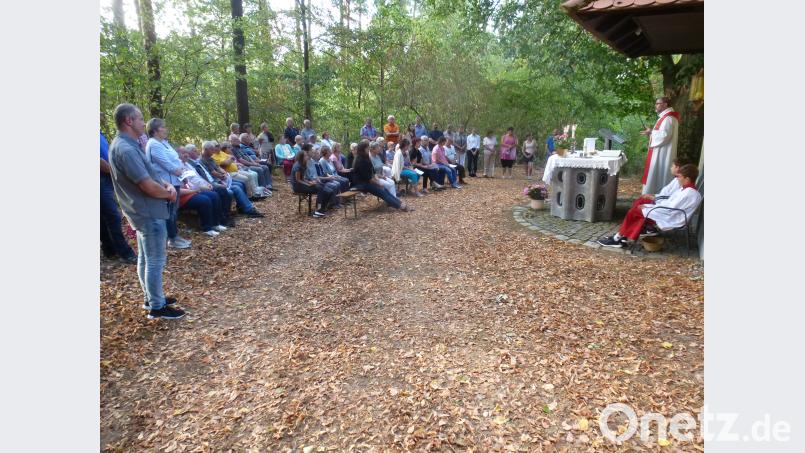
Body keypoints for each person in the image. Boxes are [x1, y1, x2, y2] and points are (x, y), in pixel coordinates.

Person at [108, 103, 186, 320]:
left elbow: (150, 174)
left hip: (144, 209)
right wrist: (168, 193)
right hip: (147, 211)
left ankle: (151, 297)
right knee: (154, 259)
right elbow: (146, 185)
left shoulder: (130, 145)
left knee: (145, 257)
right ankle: (157, 307)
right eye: (140, 118)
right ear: (128, 121)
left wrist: (165, 184)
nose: (144, 122)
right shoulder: (125, 149)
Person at [598, 164, 701, 248]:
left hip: (671, 218)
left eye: (679, 177)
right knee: (638, 212)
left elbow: (669, 209)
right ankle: (621, 237)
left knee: (634, 212)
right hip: (670, 214)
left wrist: (649, 207)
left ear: (687, 179)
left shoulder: (688, 193)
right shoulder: (687, 190)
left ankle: (618, 238)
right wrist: (649, 205)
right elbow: (670, 204)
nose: (677, 179)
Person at [145, 118, 192, 249]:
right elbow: (167, 164)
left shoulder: (164, 143)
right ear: (154, 130)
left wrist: (183, 175)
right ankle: (171, 238)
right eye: (163, 127)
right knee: (169, 211)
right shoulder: (153, 144)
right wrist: (181, 173)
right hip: (164, 183)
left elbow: (176, 160)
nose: (165, 129)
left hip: (175, 181)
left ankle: (174, 236)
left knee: (173, 211)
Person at [198, 141, 264, 218]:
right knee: (237, 187)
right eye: (212, 149)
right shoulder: (203, 160)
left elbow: (218, 168)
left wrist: (224, 173)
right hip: (215, 182)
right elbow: (212, 172)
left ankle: (243, 207)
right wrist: (221, 176)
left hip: (222, 179)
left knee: (240, 184)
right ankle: (248, 209)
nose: (214, 151)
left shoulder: (210, 158)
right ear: (205, 149)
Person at [100, 126, 137, 264]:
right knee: (113, 216)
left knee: (105, 216)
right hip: (101, 178)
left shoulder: (100, 134)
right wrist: (115, 171)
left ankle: (109, 249)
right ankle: (125, 253)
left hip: (106, 178)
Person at [176, 147, 230, 237]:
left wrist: (207, 184)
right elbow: (188, 183)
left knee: (215, 195)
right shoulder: (177, 167)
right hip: (192, 190)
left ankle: (216, 223)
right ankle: (207, 228)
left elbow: (198, 177)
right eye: (183, 153)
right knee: (206, 200)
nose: (186, 155)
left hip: (199, 188)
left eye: (186, 153)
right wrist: (200, 188)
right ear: (177, 155)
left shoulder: (188, 165)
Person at [351, 141, 414, 212]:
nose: (369, 149)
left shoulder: (365, 157)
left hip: (368, 181)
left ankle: (400, 204)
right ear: (363, 149)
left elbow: (372, 172)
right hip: (361, 184)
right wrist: (378, 183)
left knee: (385, 190)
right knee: (382, 191)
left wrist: (378, 179)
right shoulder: (360, 160)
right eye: (368, 148)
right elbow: (368, 178)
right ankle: (402, 206)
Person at [641, 96, 680, 195]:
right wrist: (651, 133)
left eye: (658, 103)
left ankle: (655, 195)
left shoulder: (668, 118)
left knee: (659, 175)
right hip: (661, 151)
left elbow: (665, 135)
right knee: (657, 174)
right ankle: (652, 195)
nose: (656, 105)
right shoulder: (665, 117)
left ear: (665, 104)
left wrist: (651, 132)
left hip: (663, 154)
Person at [291, 146, 333, 218]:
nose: (307, 157)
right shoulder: (297, 166)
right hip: (298, 186)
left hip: (303, 183)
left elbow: (303, 178)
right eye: (306, 156)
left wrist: (311, 182)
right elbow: (298, 180)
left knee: (329, 191)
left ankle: (322, 208)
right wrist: (308, 183)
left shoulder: (304, 164)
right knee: (319, 188)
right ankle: (318, 210)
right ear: (302, 157)